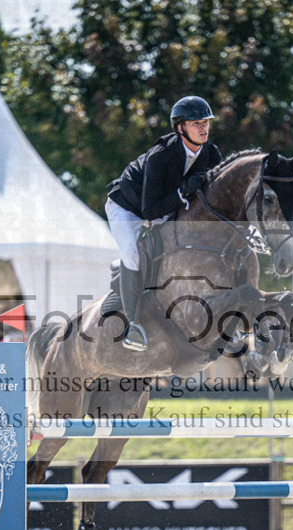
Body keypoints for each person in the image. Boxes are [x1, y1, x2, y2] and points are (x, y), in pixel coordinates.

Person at [105, 95, 224, 352]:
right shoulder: (161, 154)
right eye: (196, 123)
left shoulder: (211, 153)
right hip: (128, 207)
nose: (203, 128)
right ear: (180, 128)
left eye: (206, 122)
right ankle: (133, 324)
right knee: (133, 252)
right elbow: (149, 211)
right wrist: (183, 192)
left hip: (166, 208)